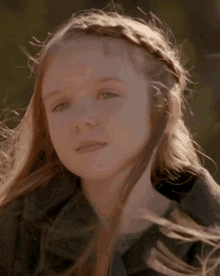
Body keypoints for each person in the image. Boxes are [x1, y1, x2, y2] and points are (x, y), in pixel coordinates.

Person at [0, 3, 220, 276]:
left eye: (107, 94)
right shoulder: (15, 235)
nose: (82, 118)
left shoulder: (211, 243)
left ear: (164, 107)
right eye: (61, 104)